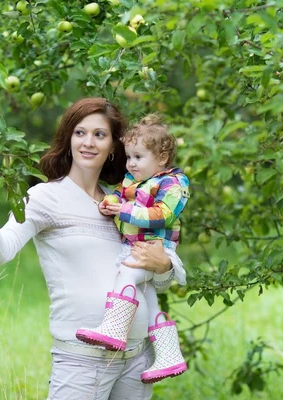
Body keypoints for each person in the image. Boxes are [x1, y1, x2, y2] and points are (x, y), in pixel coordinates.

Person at [0, 98, 184, 400]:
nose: (88, 142)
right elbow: (0, 252)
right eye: (80, 133)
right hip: (82, 359)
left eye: (99, 135)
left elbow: (157, 280)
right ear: (68, 139)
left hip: (136, 359)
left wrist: (164, 265)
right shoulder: (45, 198)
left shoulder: (124, 204)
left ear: (113, 146)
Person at [75, 114, 189, 384]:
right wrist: (109, 203)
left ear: (161, 158)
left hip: (157, 248)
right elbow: (118, 195)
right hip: (137, 247)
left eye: (138, 157)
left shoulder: (172, 183)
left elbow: (163, 215)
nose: (131, 163)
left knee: (127, 274)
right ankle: (169, 354)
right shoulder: (132, 181)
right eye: (128, 157)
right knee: (149, 298)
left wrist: (124, 211)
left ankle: (114, 328)